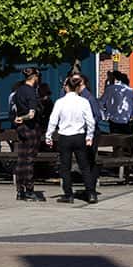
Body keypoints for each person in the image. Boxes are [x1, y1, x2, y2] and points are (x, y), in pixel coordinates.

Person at [45, 75, 98, 204]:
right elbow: (90, 121)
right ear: (78, 87)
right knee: (84, 166)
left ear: (67, 87)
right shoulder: (83, 101)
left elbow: (53, 120)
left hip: (65, 137)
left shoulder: (60, 102)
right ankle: (91, 193)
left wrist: (49, 135)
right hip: (79, 136)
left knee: (65, 167)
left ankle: (68, 194)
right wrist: (89, 136)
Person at [9, 68, 46, 201]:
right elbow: (32, 114)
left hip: (21, 130)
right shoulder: (31, 92)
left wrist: (18, 119)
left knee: (21, 159)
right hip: (31, 128)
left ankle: (20, 190)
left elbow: (13, 109)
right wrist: (23, 118)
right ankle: (29, 189)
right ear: (34, 77)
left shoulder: (18, 91)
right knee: (29, 160)